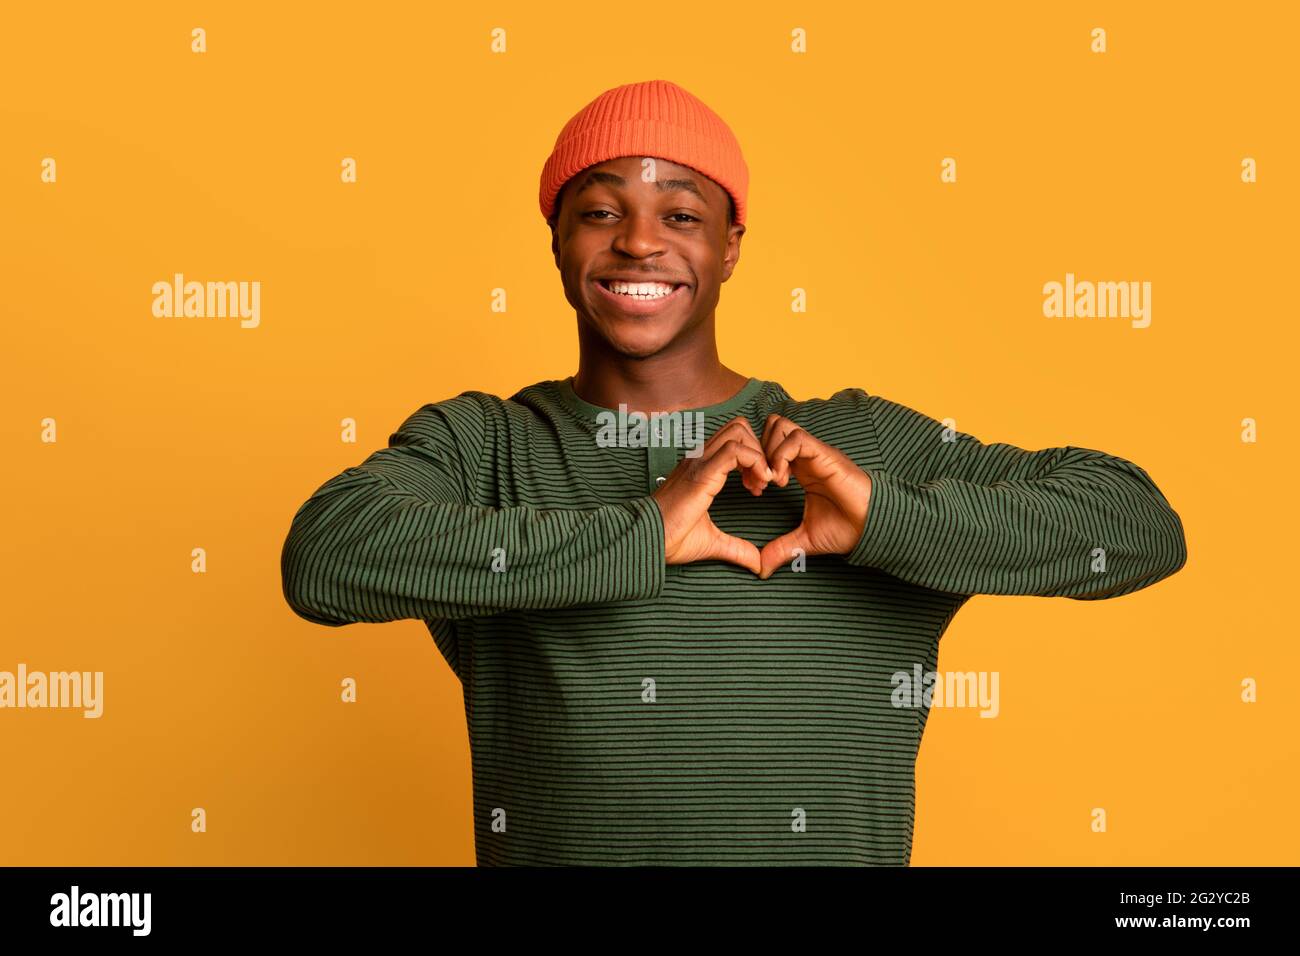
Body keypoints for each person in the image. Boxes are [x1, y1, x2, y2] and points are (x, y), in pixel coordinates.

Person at [280, 79, 1187, 866]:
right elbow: (324, 558)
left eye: (681, 215)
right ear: (556, 238)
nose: (640, 244)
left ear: (731, 247)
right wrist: (640, 531)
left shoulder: (849, 442)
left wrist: (886, 519)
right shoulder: (488, 446)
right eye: (601, 211)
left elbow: (1140, 524)